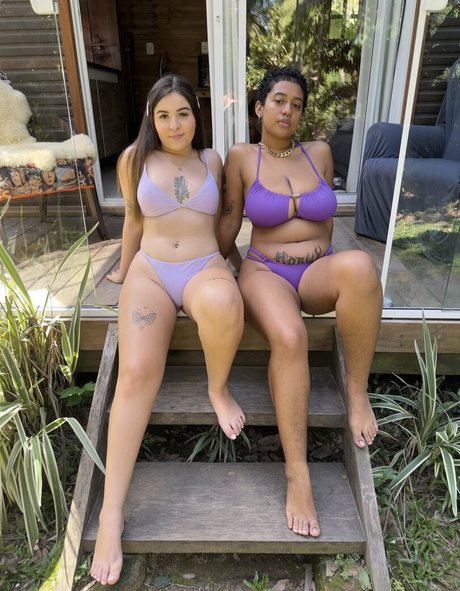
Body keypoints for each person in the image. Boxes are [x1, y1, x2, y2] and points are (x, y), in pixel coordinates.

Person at [90, 74, 245, 586]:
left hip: (202, 265)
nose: (174, 124)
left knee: (225, 302)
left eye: (182, 113)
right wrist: (122, 272)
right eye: (163, 115)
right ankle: (111, 513)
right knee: (136, 373)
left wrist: (232, 263)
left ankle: (217, 388)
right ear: (151, 119)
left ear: (195, 116)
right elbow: (133, 222)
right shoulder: (133, 159)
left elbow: (223, 223)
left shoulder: (213, 160)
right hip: (152, 272)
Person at [217, 66, 382, 539]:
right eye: (279, 101)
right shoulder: (242, 157)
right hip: (264, 272)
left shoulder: (320, 153)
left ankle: (356, 394)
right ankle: (297, 473)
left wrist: (317, 258)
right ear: (259, 107)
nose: (288, 110)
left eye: (297, 104)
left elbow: (327, 226)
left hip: (314, 272)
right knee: (290, 336)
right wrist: (210, 271)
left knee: (361, 266)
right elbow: (229, 223)